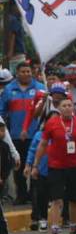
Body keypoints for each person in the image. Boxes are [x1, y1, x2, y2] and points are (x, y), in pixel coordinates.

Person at [29, 95, 76, 234]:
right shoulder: (51, 123)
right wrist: (35, 165)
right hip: (55, 167)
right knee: (56, 200)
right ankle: (55, 232)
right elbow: (43, 145)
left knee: (74, 200)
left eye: (70, 105)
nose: (67, 108)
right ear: (58, 108)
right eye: (64, 106)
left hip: (75, 167)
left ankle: (74, 231)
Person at [0, 61, 45, 205]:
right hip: (15, 134)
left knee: (34, 164)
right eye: (23, 72)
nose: (26, 74)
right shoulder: (8, 90)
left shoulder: (40, 88)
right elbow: (2, 111)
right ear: (17, 74)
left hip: (36, 134)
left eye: (28, 71)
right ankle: (21, 194)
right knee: (18, 165)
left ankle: (35, 194)